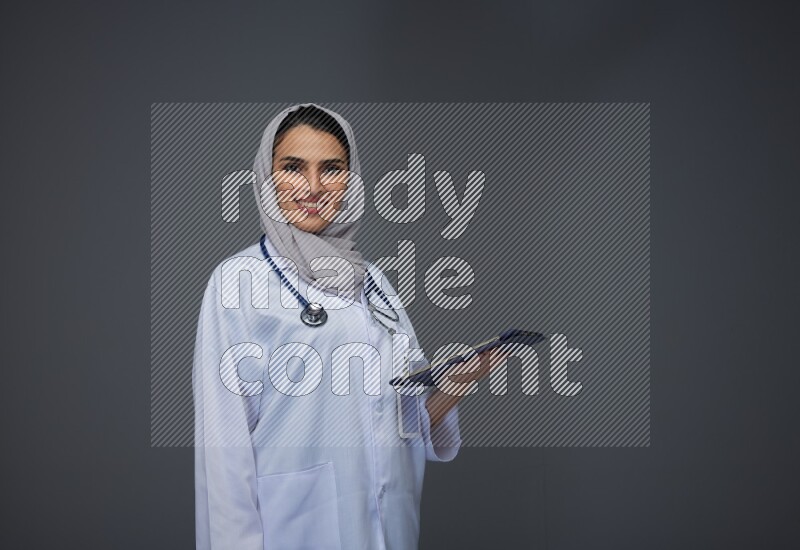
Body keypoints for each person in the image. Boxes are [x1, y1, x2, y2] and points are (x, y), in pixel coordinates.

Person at [193, 103, 506, 549]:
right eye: (293, 168)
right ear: (267, 178)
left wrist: (459, 382)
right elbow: (222, 452)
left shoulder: (374, 283)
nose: (314, 186)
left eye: (332, 169)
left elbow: (406, 425)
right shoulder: (238, 281)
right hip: (296, 529)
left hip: (388, 528)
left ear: (350, 179)